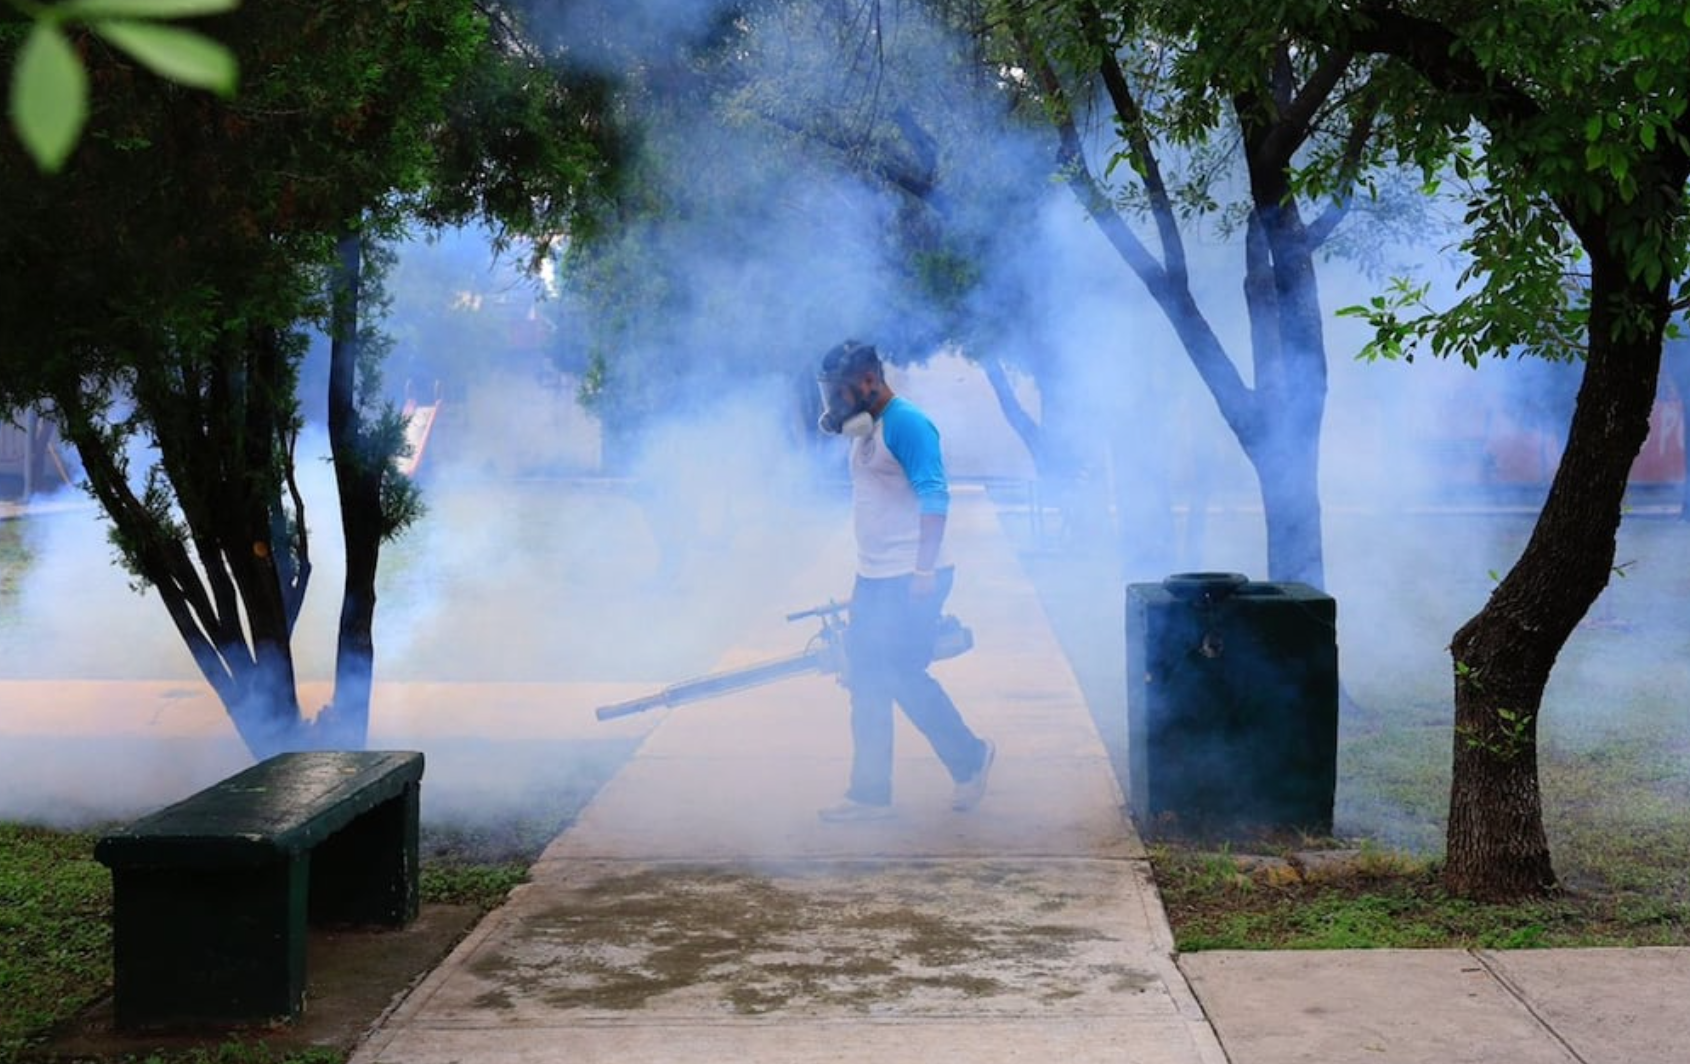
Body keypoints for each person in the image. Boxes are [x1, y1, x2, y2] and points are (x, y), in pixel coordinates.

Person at [813, 340, 995, 822]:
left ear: (870, 381)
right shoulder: (864, 429)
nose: (835, 403)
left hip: (914, 574)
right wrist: (862, 580)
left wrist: (922, 572)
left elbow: (935, 498)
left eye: (841, 391)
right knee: (866, 678)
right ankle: (869, 796)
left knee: (900, 674)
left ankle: (971, 757)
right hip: (874, 575)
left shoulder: (908, 424)